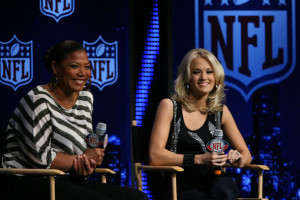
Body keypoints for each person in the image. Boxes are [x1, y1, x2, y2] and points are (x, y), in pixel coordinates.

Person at [0, 40, 148, 200]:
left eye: (87, 67)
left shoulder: (86, 98)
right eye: (74, 66)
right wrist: (82, 160)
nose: (83, 73)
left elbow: (82, 151)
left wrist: (87, 164)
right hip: (25, 180)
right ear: (55, 68)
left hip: (65, 180)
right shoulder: (37, 100)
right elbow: (40, 160)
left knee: (137, 197)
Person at [149, 48, 252, 200]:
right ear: (187, 77)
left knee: (226, 191)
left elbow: (246, 154)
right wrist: (199, 159)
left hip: (215, 182)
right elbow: (154, 156)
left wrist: (238, 158)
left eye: (209, 72)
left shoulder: (220, 111)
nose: (204, 77)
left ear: (216, 77)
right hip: (178, 184)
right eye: (197, 72)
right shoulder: (169, 106)